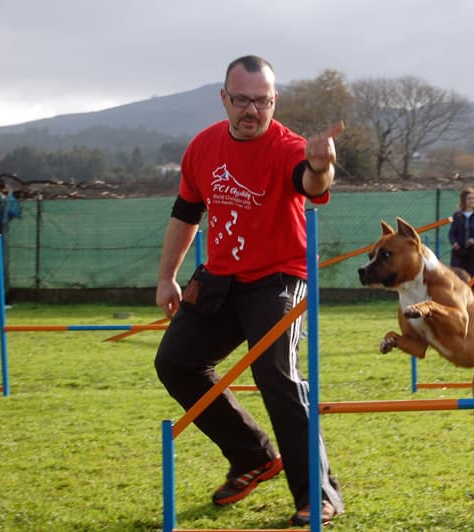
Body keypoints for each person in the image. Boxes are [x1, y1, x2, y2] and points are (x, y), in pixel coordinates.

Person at [153, 55, 344, 527]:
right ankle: (253, 456)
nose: (251, 110)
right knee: (175, 362)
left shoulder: (288, 148)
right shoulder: (202, 147)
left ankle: (318, 494)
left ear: (274, 101)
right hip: (220, 278)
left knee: (276, 374)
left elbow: (312, 183)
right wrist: (166, 276)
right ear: (224, 98)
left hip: (280, 276)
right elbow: (186, 213)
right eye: (242, 100)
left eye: (262, 101)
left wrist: (322, 167)